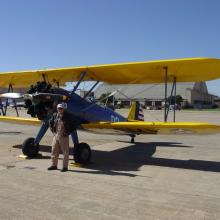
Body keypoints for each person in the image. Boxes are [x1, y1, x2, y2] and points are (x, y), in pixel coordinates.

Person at [48, 102, 76, 172]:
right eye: (59, 108)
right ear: (57, 109)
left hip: (63, 136)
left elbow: (73, 126)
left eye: (61, 108)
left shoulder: (68, 116)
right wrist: (52, 130)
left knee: (65, 152)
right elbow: (50, 122)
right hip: (56, 135)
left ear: (64, 109)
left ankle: (65, 167)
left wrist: (67, 133)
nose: (60, 109)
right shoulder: (55, 115)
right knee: (54, 150)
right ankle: (54, 165)